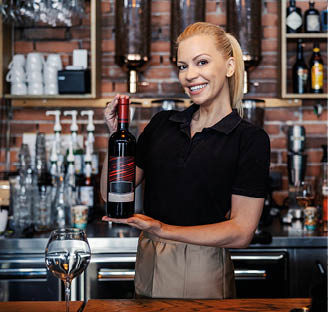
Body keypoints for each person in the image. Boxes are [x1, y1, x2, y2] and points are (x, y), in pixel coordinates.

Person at [101, 22, 270, 299]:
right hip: (147, 260)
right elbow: (112, 195)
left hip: (202, 268)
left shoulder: (249, 139)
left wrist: (162, 229)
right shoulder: (163, 124)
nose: (190, 75)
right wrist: (116, 137)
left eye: (201, 62)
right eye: (182, 66)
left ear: (229, 67)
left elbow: (241, 232)